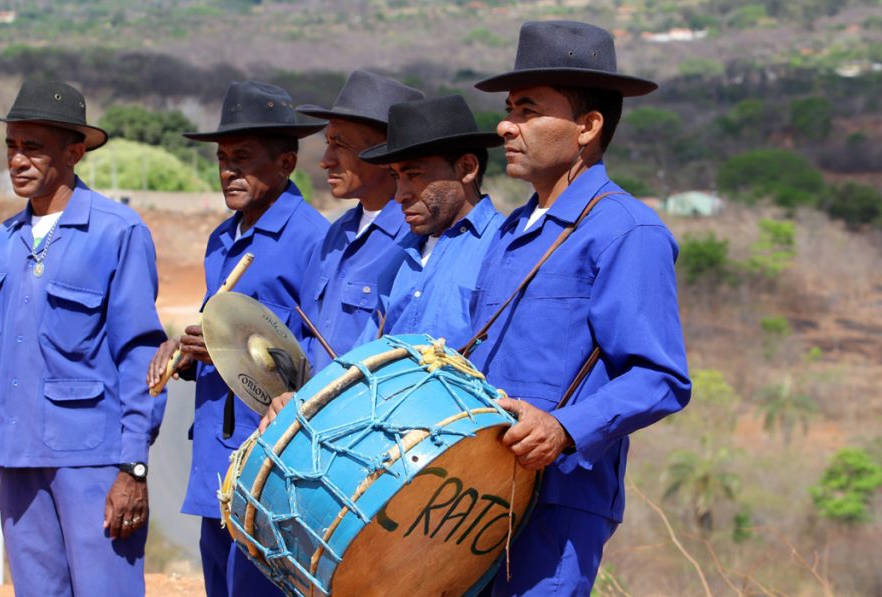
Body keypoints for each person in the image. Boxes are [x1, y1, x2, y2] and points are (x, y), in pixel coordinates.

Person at [468, 21, 691, 595]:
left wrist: (565, 429)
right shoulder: (512, 230)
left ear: (587, 127)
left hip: (558, 502)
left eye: (527, 110)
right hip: (474, 495)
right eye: (508, 109)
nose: (504, 125)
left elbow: (661, 377)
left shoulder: (626, 230)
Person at [0, 80, 167, 596]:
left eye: (33, 147)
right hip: (15, 460)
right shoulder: (2, 244)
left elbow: (139, 357)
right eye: (11, 145)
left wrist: (132, 467)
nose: (18, 159)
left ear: (74, 152)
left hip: (93, 462)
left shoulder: (117, 232)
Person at [145, 80, 328, 597]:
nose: (228, 170)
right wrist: (183, 353)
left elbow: (315, 354)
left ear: (286, 163)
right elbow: (215, 328)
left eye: (242, 158)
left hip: (269, 457)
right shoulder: (221, 239)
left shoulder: (312, 240)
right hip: (213, 453)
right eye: (223, 158)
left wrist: (233, 349)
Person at [294, 70, 425, 373]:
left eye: (340, 145)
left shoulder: (416, 238)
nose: (326, 160)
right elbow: (308, 337)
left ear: (384, 153)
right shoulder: (336, 234)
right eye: (328, 143)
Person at [359, 94, 504, 347]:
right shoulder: (399, 257)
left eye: (414, 175)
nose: (399, 195)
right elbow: (364, 354)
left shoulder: (504, 248)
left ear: (467, 168)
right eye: (396, 177)